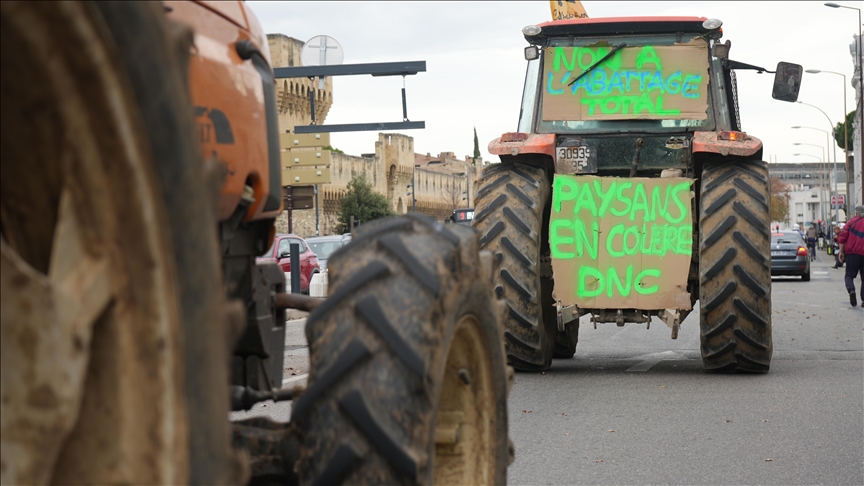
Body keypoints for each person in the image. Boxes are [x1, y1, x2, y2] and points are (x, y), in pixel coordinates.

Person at [837, 205, 864, 307]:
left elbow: (842, 237)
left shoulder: (851, 222)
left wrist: (841, 251)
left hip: (852, 253)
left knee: (849, 275)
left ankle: (851, 290)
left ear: (857, 212)